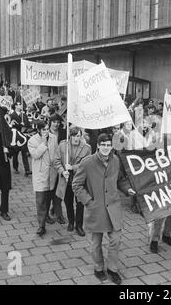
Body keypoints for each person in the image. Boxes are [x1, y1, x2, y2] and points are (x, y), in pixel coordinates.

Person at [72, 134, 135, 285]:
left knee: (116, 240)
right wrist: (88, 202)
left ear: (112, 146)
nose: (106, 148)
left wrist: (127, 190)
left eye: (109, 145)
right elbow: (76, 185)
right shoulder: (87, 163)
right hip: (97, 208)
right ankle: (98, 268)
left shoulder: (115, 160)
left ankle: (113, 269)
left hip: (113, 208)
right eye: (103, 145)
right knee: (96, 242)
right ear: (98, 145)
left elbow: (120, 180)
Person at [54, 126, 91, 237]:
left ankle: (79, 226)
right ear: (70, 136)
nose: (76, 138)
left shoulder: (86, 148)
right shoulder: (62, 145)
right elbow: (56, 161)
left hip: (79, 180)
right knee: (68, 201)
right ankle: (71, 222)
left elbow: (87, 164)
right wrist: (62, 171)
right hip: (66, 179)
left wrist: (73, 167)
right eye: (74, 136)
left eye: (78, 136)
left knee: (80, 203)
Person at [27, 121, 59, 236]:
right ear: (39, 130)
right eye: (44, 129)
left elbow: (56, 153)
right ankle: (41, 226)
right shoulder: (32, 141)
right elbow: (35, 155)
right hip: (40, 174)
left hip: (51, 173)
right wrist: (44, 143)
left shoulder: (54, 138)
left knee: (48, 197)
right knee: (40, 201)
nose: (46, 131)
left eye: (47, 129)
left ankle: (46, 216)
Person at [47, 114, 67, 223]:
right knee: (49, 192)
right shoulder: (46, 133)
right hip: (49, 167)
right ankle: (46, 214)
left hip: (60, 165)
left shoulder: (63, 133)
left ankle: (59, 214)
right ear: (50, 122)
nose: (56, 124)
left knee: (59, 191)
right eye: (54, 122)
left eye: (58, 122)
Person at [10, 101, 32, 176]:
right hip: (16, 137)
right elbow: (11, 126)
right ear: (15, 106)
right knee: (15, 153)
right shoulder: (12, 115)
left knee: (24, 154)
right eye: (18, 104)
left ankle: (27, 170)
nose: (20, 106)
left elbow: (28, 125)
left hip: (23, 136)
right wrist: (17, 125)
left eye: (20, 104)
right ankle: (15, 167)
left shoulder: (24, 115)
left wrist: (24, 125)